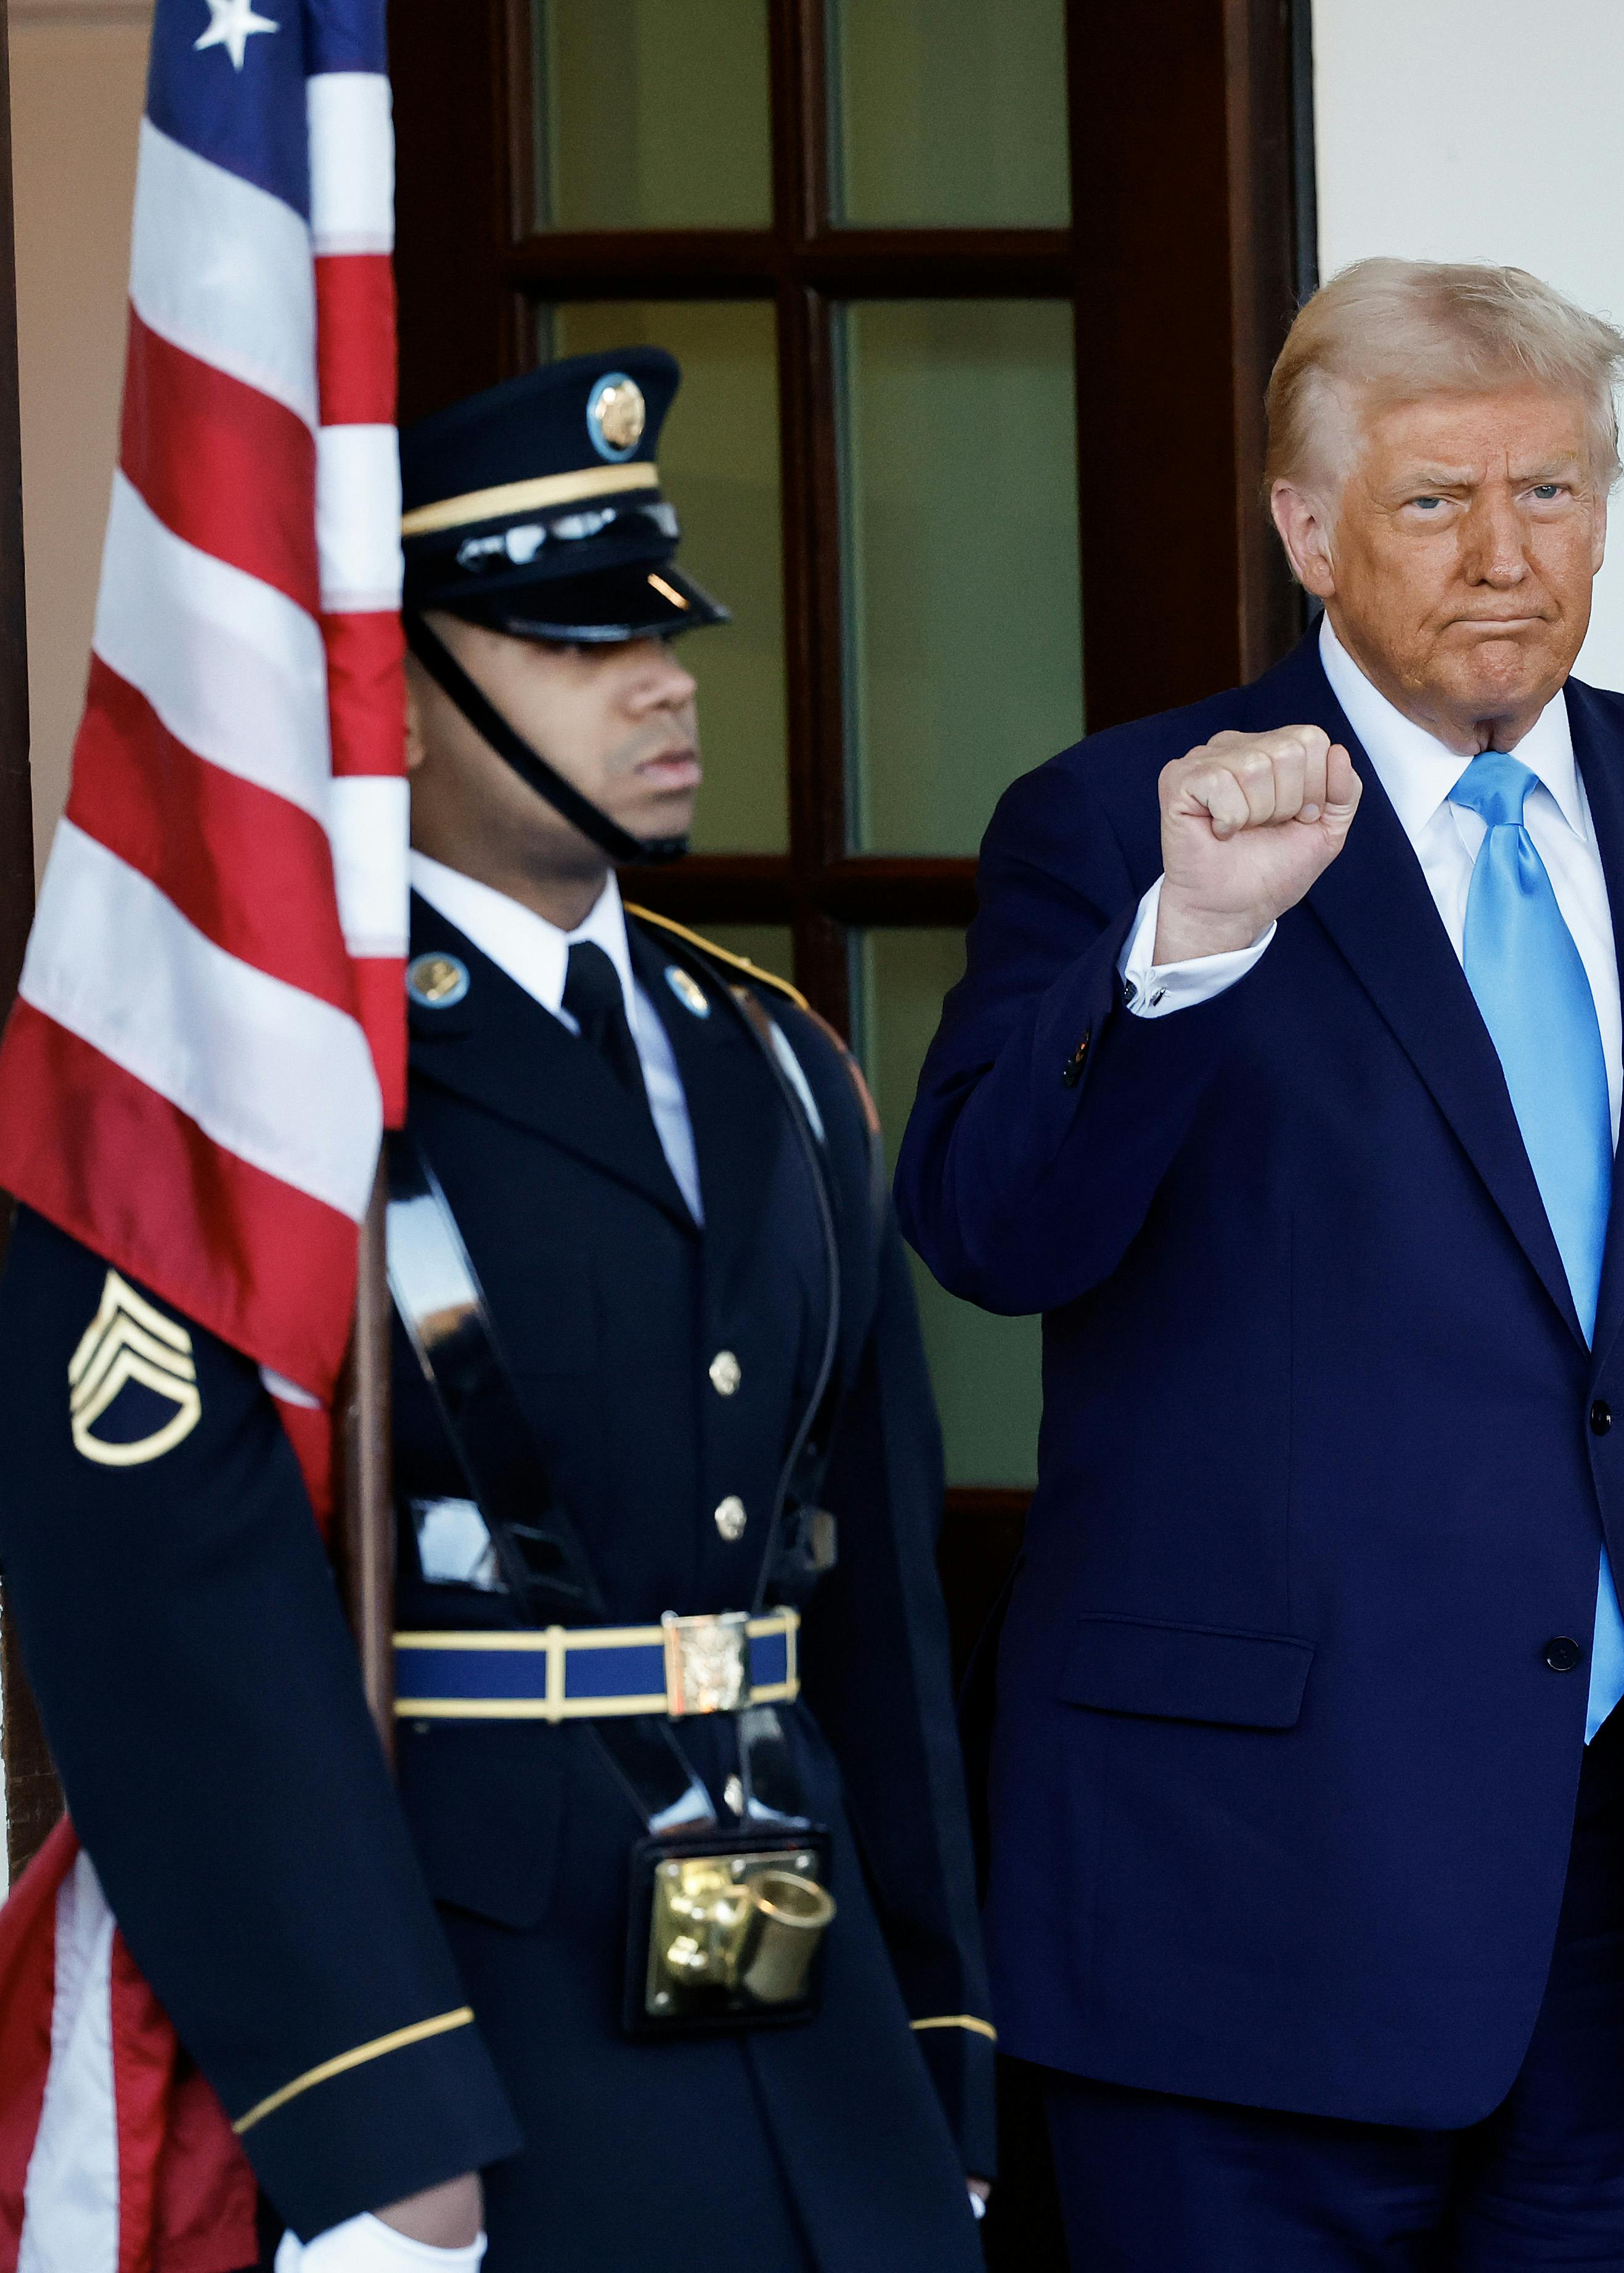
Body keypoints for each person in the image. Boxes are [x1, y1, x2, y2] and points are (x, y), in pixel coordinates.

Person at [899, 258, 1624, 2268]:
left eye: (1553, 494)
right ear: (1305, 528)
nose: (1504, 555)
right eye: (1432, 500)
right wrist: (1189, 944)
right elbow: (990, 1231)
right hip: (1245, 1906)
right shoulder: (1118, 825)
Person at [0, 349, 996, 2271]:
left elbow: (872, 1605)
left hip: (814, 2020)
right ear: (398, 694)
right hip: (471, 2021)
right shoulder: (255, 1101)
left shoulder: (774, 1060)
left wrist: (941, 2042)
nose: (663, 679)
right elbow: (167, 1618)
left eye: (662, 629)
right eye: (567, 639)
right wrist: (368, 2106)